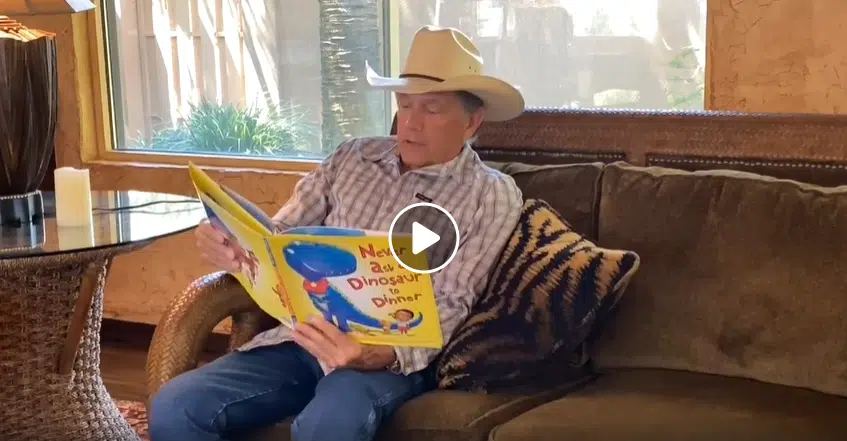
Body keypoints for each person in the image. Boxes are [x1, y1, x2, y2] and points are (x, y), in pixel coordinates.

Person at [149, 25, 525, 441]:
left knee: (327, 425)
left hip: (389, 360)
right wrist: (235, 248)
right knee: (175, 406)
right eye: (404, 104)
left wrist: (378, 354)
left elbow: (454, 300)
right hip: (301, 339)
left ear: (472, 122)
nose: (410, 123)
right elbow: (280, 237)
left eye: (432, 109)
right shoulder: (352, 156)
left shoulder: (490, 194)